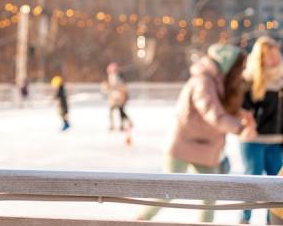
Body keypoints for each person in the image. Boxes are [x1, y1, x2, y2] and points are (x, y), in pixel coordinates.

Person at [137, 43, 257, 222]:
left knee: (209, 195)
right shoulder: (203, 80)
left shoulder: (217, 79)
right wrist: (240, 128)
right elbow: (211, 111)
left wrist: (240, 114)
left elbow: (220, 107)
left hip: (207, 147)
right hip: (184, 144)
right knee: (168, 191)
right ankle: (139, 221)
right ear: (227, 64)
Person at [238, 36, 283, 224]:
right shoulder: (248, 81)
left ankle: (271, 221)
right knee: (252, 183)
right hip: (254, 141)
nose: (274, 59)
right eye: (268, 56)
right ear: (260, 58)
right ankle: (244, 219)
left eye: (275, 54)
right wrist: (247, 121)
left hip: (277, 141)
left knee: (277, 187)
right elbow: (238, 109)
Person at [101, 62, 132, 132]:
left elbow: (122, 87)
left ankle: (123, 124)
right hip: (114, 97)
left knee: (120, 111)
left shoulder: (118, 77)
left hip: (120, 97)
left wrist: (122, 95)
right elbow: (108, 86)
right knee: (114, 110)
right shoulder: (110, 77)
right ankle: (115, 124)